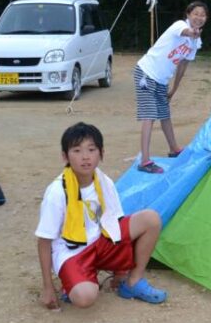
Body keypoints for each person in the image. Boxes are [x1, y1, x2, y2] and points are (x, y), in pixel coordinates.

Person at [35, 122, 166, 309]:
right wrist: (47, 287)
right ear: (65, 156)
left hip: (100, 241)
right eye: (77, 151)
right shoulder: (57, 192)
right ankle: (73, 283)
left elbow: (116, 224)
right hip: (72, 251)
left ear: (101, 153)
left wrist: (121, 270)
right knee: (85, 298)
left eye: (91, 149)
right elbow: (44, 241)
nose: (85, 157)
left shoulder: (104, 182)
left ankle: (132, 282)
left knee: (151, 219)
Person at [134, 1, 207, 173]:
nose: (199, 17)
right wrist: (192, 33)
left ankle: (174, 149)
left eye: (202, 15)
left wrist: (174, 89)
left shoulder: (195, 43)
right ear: (188, 15)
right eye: (195, 13)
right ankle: (144, 161)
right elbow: (186, 32)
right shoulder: (179, 26)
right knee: (150, 114)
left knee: (165, 114)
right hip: (146, 72)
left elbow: (182, 66)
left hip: (161, 80)